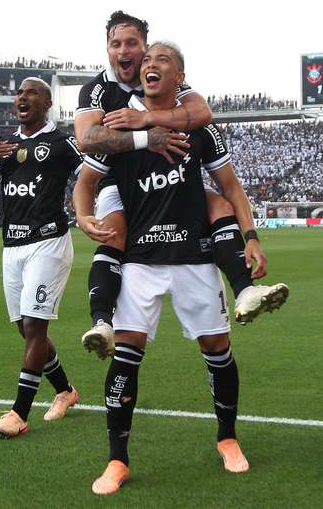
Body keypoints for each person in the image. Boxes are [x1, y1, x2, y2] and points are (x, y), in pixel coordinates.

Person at [74, 42, 268, 495]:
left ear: (180, 77)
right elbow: (85, 183)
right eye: (146, 62)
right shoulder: (117, 123)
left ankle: (227, 438)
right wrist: (83, 216)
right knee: (126, 353)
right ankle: (117, 460)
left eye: (162, 60)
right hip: (142, 258)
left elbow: (230, 187)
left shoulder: (197, 126)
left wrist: (252, 236)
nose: (149, 65)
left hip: (195, 255)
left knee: (217, 347)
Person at [74, 12, 288, 359]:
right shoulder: (97, 89)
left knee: (218, 204)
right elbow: (86, 138)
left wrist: (145, 118)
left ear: (144, 47)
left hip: (169, 183)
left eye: (132, 43)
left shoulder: (164, 78)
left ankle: (245, 291)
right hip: (118, 178)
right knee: (114, 230)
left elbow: (201, 113)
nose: (124, 51)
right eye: (116, 44)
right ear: (108, 49)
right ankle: (103, 321)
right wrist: (146, 138)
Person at [0, 77, 82, 438]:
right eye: (19, 93)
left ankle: (19, 413)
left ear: (47, 102)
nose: (22, 97)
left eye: (31, 92)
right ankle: (65, 391)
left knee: (35, 326)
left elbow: (88, 176)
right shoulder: (6, 146)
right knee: (25, 327)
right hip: (12, 246)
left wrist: (88, 209)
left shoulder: (62, 142)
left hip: (48, 242)